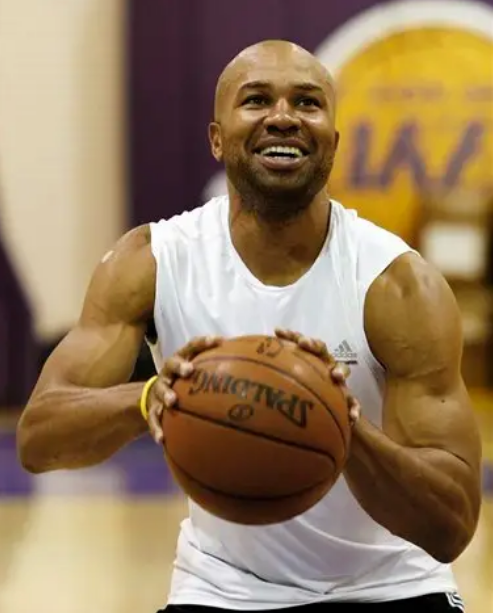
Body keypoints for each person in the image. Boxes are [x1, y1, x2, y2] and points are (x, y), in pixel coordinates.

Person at [16, 40, 482, 612]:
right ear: (217, 138)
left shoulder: (397, 284)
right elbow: (39, 438)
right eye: (257, 99)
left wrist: (346, 429)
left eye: (307, 102)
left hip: (390, 588)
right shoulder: (153, 260)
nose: (283, 117)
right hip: (222, 589)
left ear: (334, 141)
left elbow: (452, 524)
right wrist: (151, 399)